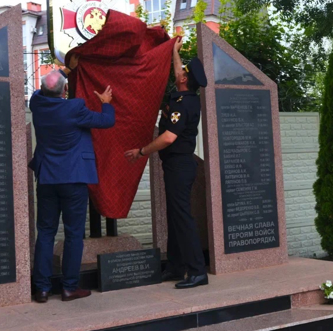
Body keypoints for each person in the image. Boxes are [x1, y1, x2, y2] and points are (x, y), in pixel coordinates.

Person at [124, 38, 208, 289]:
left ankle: (197, 271)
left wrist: (141, 151)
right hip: (177, 165)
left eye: (183, 71)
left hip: (179, 165)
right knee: (175, 215)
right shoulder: (186, 97)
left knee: (182, 217)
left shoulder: (182, 105)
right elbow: (178, 72)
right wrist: (173, 51)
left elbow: (169, 137)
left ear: (184, 80)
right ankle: (175, 266)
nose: (179, 71)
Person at [29, 59, 114, 303]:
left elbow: (40, 91)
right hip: (74, 178)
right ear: (65, 91)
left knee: (45, 232)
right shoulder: (75, 108)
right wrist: (106, 104)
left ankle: (42, 289)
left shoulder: (37, 104)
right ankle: (69, 287)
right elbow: (106, 122)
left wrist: (64, 71)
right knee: (74, 233)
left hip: (46, 177)